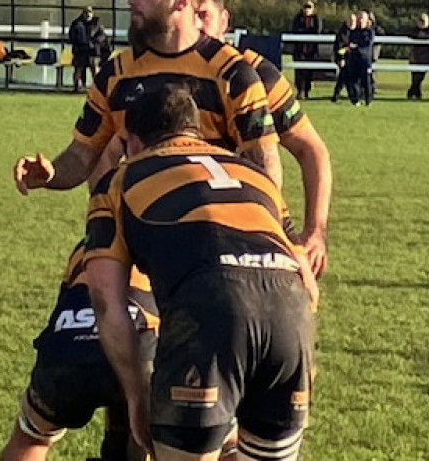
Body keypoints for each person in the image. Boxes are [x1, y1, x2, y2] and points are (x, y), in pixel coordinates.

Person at [83, 84, 317, 461]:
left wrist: (137, 395)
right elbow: (302, 270)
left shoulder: (121, 179)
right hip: (290, 312)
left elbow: (105, 299)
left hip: (210, 306)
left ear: (135, 142)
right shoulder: (251, 173)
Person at [13, 0, 281, 196]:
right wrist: (51, 174)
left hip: (208, 232)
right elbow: (82, 154)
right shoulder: (117, 73)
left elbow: (263, 164)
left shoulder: (232, 73)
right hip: (143, 228)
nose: (132, 0)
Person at [197, 0, 332, 278]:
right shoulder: (160, 74)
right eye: (190, 15)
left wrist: (315, 231)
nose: (197, 26)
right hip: (181, 228)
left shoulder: (256, 74)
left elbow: (311, 150)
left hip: (253, 228)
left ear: (224, 20)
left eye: (204, 15)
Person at [0, 240, 157, 461]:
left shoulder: (88, 244)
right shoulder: (166, 237)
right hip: (140, 345)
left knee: (31, 438)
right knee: (205, 438)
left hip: (70, 344)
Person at [406, 13, 429, 100]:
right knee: (415, 77)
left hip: (426, 58)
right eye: (421, 21)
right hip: (415, 57)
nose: (422, 23)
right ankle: (416, 94)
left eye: (424, 21)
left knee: (420, 77)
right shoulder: (414, 31)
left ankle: (412, 92)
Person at [291, 1, 320, 99]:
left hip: (311, 49)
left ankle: (307, 91)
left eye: (309, 7)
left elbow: (318, 30)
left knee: (309, 72)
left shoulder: (316, 18)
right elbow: (295, 30)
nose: (307, 9)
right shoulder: (298, 18)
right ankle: (300, 90)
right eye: (305, 7)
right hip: (300, 49)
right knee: (299, 71)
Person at [347, 11, 375, 106]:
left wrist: (356, 47)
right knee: (353, 80)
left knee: (366, 81)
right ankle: (355, 100)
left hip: (365, 60)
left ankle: (368, 100)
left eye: (362, 19)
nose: (360, 21)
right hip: (354, 60)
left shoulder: (370, 32)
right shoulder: (353, 31)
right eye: (359, 19)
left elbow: (367, 45)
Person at [68, 6, 95, 92]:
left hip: (91, 51)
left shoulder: (96, 24)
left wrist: (94, 44)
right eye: (86, 12)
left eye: (89, 12)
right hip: (80, 50)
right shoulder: (76, 24)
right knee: (78, 69)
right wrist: (79, 43)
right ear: (82, 13)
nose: (88, 14)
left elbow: (101, 36)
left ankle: (97, 87)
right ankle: (76, 86)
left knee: (94, 69)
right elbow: (72, 37)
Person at [331, 14, 356, 103]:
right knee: (346, 78)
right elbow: (339, 47)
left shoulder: (355, 32)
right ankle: (353, 98)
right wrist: (341, 58)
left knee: (343, 79)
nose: (353, 23)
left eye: (354, 21)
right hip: (344, 59)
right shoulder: (342, 33)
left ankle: (336, 97)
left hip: (352, 59)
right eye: (351, 21)